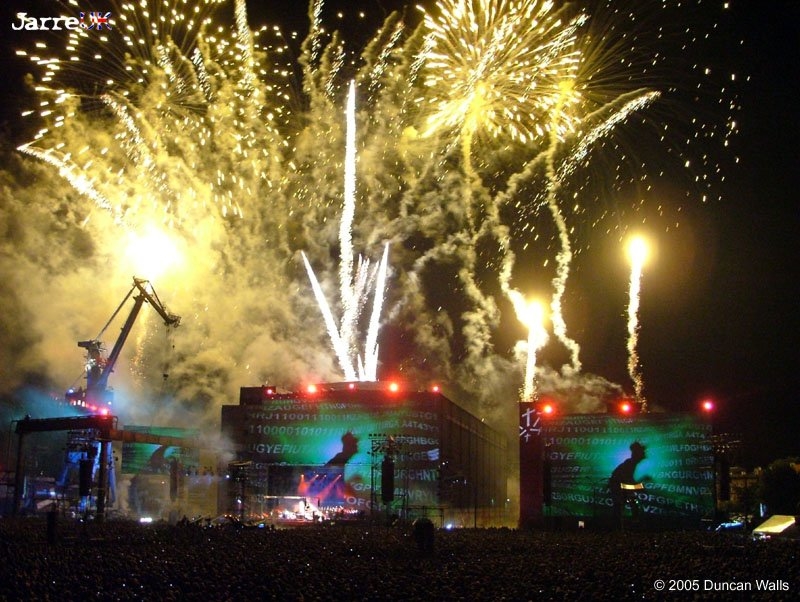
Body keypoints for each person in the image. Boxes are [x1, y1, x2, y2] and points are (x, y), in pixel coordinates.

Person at [608, 442, 647, 529]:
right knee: (623, 507)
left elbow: (629, 481)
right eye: (642, 452)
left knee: (631, 504)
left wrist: (638, 486)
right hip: (619, 489)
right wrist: (639, 487)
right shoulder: (629, 464)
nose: (644, 454)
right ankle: (621, 527)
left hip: (621, 488)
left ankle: (624, 525)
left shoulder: (630, 463)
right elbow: (626, 483)